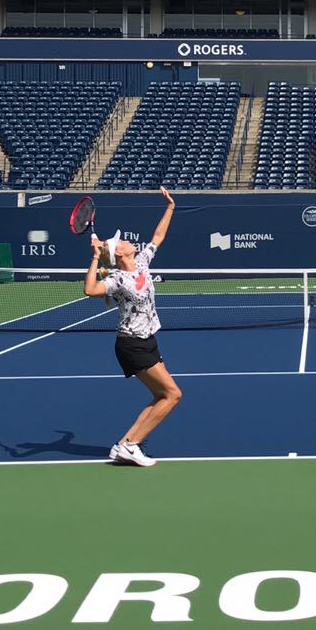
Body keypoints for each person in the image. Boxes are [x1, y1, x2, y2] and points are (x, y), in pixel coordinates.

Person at [83, 186, 182, 467]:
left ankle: (122, 446)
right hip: (132, 345)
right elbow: (90, 290)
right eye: (121, 241)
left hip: (147, 340)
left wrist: (170, 207)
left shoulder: (141, 263)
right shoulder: (116, 279)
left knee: (160, 395)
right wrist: (94, 257)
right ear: (119, 254)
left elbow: (158, 237)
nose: (126, 240)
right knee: (173, 395)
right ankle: (131, 445)